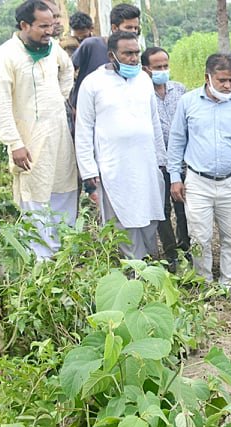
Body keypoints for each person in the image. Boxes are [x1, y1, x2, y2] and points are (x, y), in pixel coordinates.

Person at [167, 53, 231, 290]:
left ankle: (227, 284)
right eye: (222, 80)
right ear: (207, 78)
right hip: (198, 181)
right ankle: (205, 283)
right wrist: (175, 178)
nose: (228, 85)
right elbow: (176, 142)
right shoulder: (188, 102)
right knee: (200, 237)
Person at [0, 0, 77, 259]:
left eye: (52, 25)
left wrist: (59, 98)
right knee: (35, 192)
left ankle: (64, 252)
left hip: (59, 134)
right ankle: (42, 259)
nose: (49, 31)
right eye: (43, 26)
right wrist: (14, 143)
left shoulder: (52, 50)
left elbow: (68, 70)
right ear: (24, 25)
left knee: (63, 187)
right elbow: (2, 103)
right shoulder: (6, 55)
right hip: (28, 139)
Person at [75, 31, 165, 259]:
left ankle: (150, 266)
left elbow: (154, 122)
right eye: (127, 54)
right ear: (111, 55)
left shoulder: (144, 80)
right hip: (113, 167)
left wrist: (160, 160)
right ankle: (131, 271)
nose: (133, 58)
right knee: (122, 222)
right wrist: (88, 171)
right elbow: (84, 129)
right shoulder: (93, 83)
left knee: (149, 218)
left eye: (136, 53)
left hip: (146, 165)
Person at [141, 46, 189, 267]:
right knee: (162, 210)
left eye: (165, 66)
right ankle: (171, 255)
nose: (162, 70)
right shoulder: (140, 94)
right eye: (157, 67)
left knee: (184, 207)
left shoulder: (180, 90)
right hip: (156, 162)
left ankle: (186, 247)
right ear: (146, 69)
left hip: (182, 161)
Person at [70, 4, 140, 108]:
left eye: (136, 28)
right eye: (128, 27)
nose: (134, 31)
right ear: (114, 28)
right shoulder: (91, 45)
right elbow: (67, 72)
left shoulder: (134, 53)